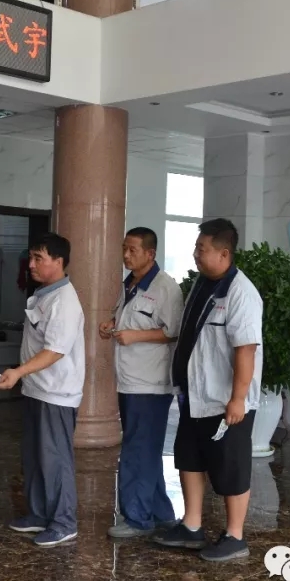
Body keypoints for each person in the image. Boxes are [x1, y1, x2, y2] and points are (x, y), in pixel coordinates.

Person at [154, 218, 262, 562]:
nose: (195, 254)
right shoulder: (203, 284)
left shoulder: (240, 293)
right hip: (194, 395)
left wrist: (238, 399)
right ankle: (192, 525)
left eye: (202, 249)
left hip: (224, 400)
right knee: (189, 458)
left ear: (224, 253)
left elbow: (246, 349)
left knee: (230, 467)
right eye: (196, 248)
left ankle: (235, 536)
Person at [0, 233, 84, 547]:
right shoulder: (43, 294)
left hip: (56, 393)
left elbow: (55, 351)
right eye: (30, 257)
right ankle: (38, 513)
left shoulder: (64, 301)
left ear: (58, 262)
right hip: (36, 389)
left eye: (38, 258)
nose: (30, 264)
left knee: (55, 459)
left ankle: (63, 522)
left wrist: (18, 372)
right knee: (34, 457)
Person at [99, 227, 183, 538]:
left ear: (150, 253)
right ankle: (160, 513)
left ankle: (137, 519)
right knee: (145, 449)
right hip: (130, 379)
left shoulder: (165, 288)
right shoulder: (130, 284)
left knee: (137, 450)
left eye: (132, 250)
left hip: (150, 382)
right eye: (124, 248)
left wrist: (135, 336)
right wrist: (112, 324)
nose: (126, 255)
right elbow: (130, 318)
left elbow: (173, 331)